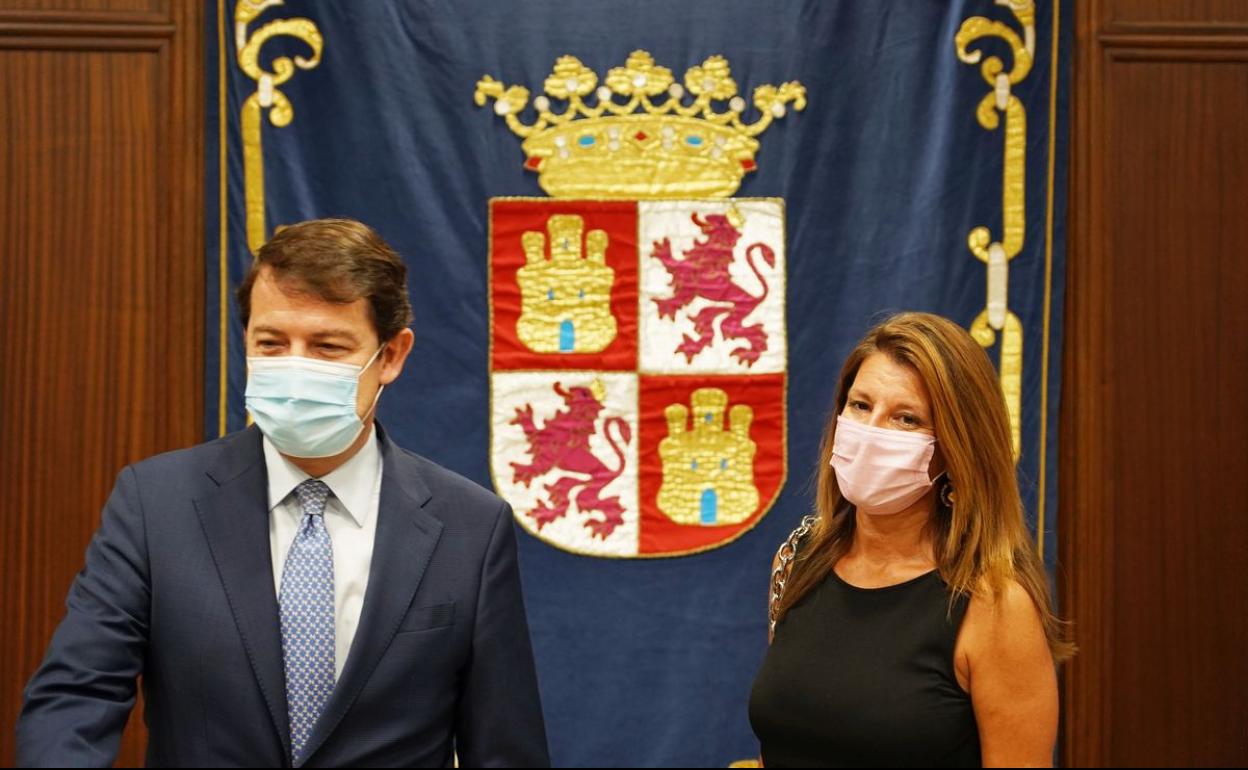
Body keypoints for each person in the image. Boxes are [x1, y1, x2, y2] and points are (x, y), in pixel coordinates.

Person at [17, 218, 550, 768]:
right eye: (271, 344)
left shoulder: (470, 527)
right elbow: (74, 699)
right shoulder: (156, 504)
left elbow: (505, 748)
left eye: (327, 347)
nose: (296, 368)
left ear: (391, 355)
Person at [749, 312, 1074, 768]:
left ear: (956, 449)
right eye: (860, 406)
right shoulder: (800, 558)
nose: (871, 433)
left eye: (906, 419)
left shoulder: (994, 606)